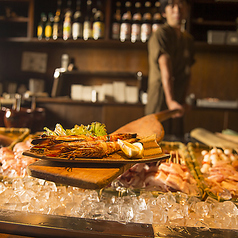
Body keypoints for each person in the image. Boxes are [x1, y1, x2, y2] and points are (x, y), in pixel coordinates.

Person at [145, 0, 195, 138]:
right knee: (155, 141)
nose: (177, 10)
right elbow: (165, 68)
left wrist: (183, 100)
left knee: (177, 143)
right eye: (171, 5)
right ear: (163, 12)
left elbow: (187, 72)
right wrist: (170, 101)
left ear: (186, 8)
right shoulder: (161, 34)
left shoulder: (188, 40)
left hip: (177, 101)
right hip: (161, 97)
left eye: (180, 5)